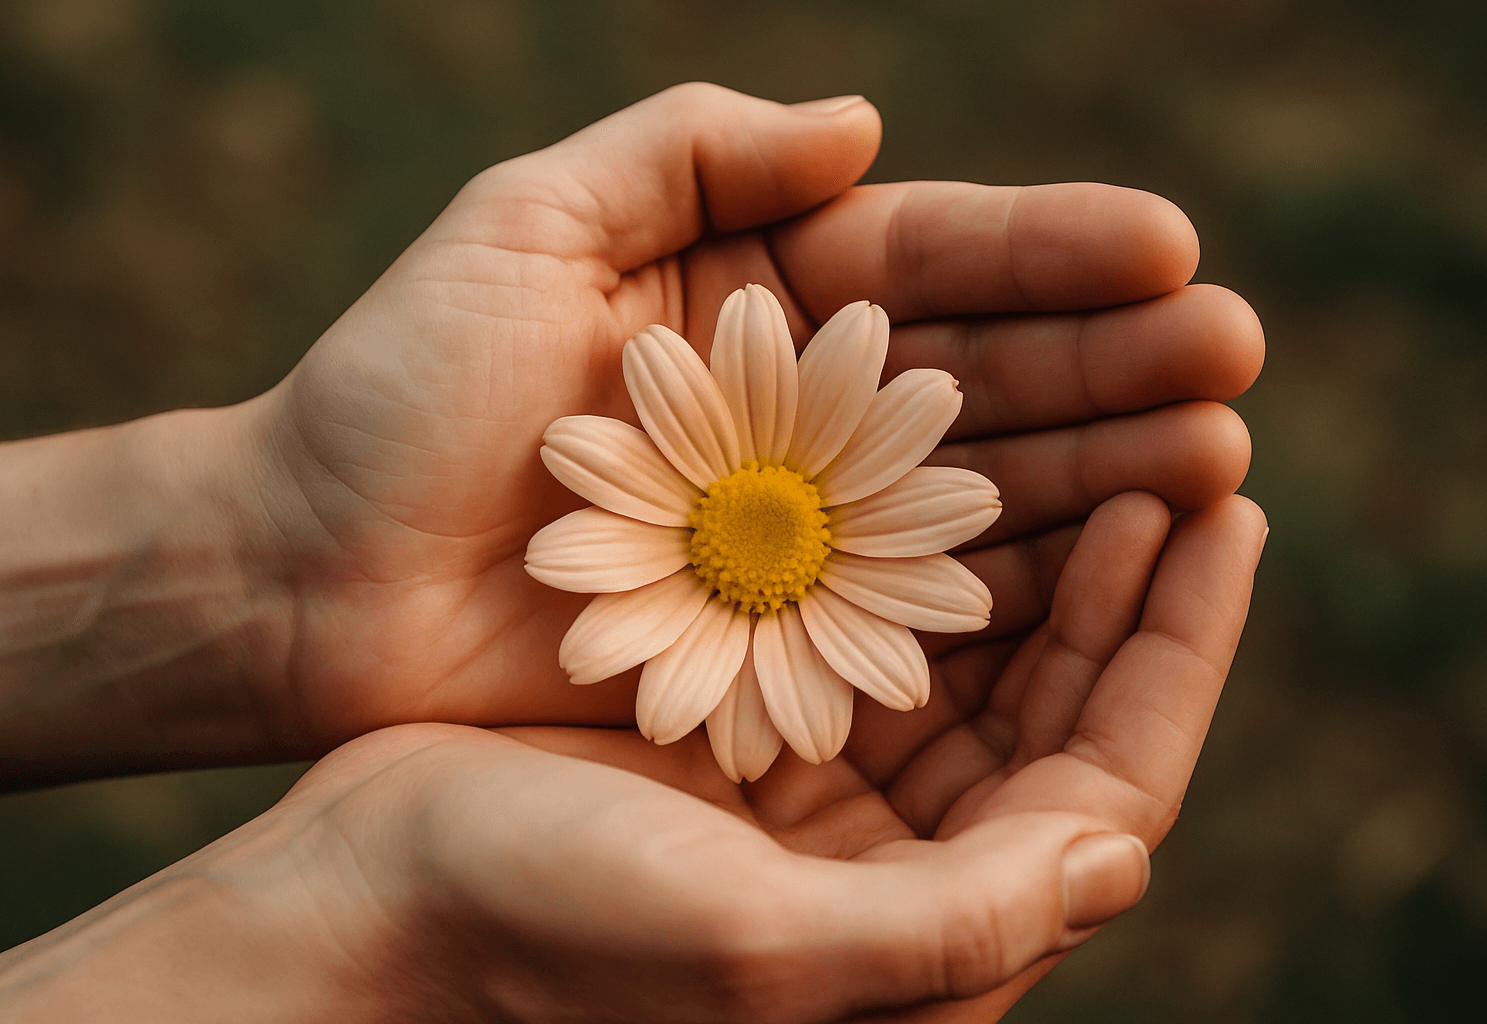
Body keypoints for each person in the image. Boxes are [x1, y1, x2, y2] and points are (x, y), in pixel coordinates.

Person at [0, 84, 1267, 1022]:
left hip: (763, 569)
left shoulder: (849, 539)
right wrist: (361, 929)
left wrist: (262, 554)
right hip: (716, 546)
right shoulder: (683, 457)